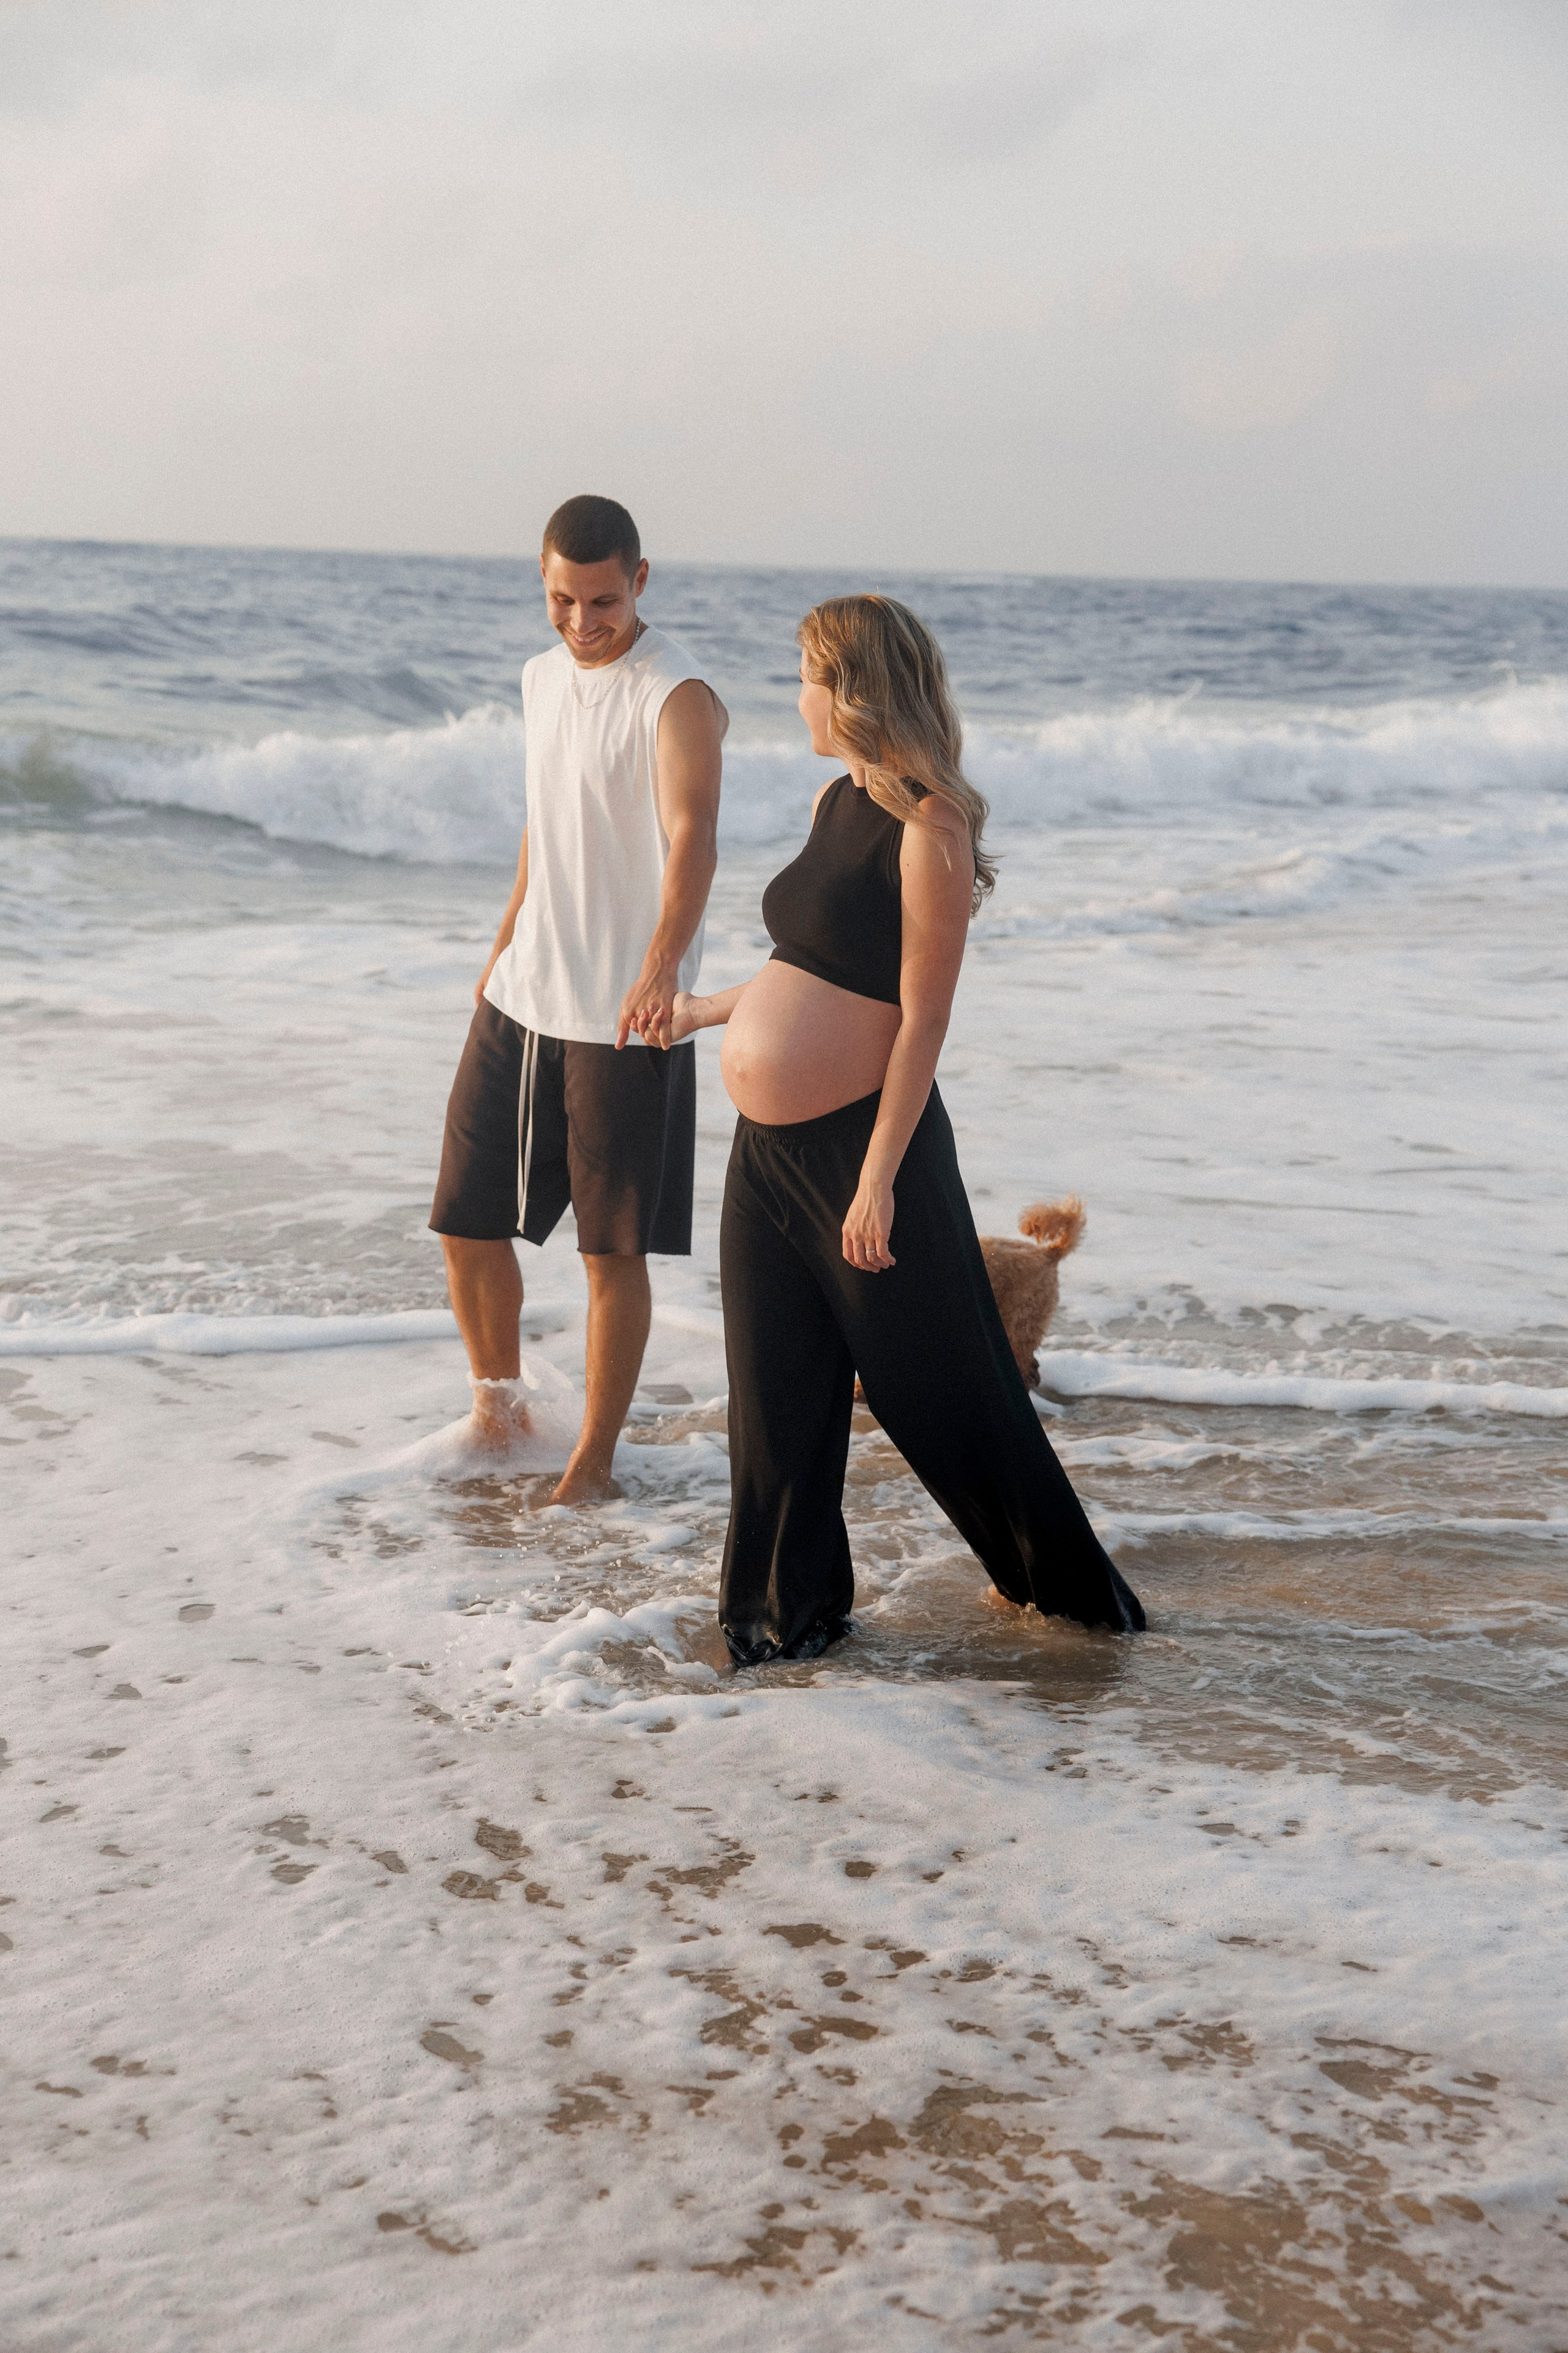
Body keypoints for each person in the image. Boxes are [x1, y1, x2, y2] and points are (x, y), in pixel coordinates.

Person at [662, 595, 1145, 1663]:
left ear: (856, 687)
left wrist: (878, 1178)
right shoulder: (840, 799)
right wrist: (702, 1011)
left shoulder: (932, 826)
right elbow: (814, 968)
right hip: (768, 1161)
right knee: (775, 1404)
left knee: (955, 1400)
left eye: (806, 675)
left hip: (865, 1154)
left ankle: (1083, 1615)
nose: (796, 696)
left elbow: (922, 1020)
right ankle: (780, 1631)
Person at [429, 494, 727, 1505]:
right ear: (543, 580)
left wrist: (662, 966)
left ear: (640, 581)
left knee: (613, 1247)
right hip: (523, 994)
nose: (581, 622)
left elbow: (693, 835)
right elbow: (544, 816)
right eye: (563, 599)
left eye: (602, 601)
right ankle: (499, 1406)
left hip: (621, 1012)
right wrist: (505, 933)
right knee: (467, 1220)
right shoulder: (539, 676)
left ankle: (592, 1461)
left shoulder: (676, 691)